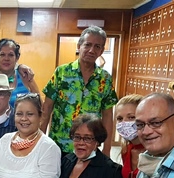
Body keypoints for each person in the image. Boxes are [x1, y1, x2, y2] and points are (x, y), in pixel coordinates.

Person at [41, 25, 117, 157]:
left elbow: (108, 116)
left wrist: (107, 149)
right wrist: (39, 142)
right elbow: (46, 109)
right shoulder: (62, 72)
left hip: (89, 146)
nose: (91, 50)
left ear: (101, 51)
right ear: (79, 46)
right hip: (59, 145)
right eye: (87, 45)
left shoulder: (105, 79)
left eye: (97, 46)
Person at [0, 38, 40, 107]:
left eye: (11, 55)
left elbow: (40, 106)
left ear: (17, 57)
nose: (6, 58)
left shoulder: (25, 76)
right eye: (2, 54)